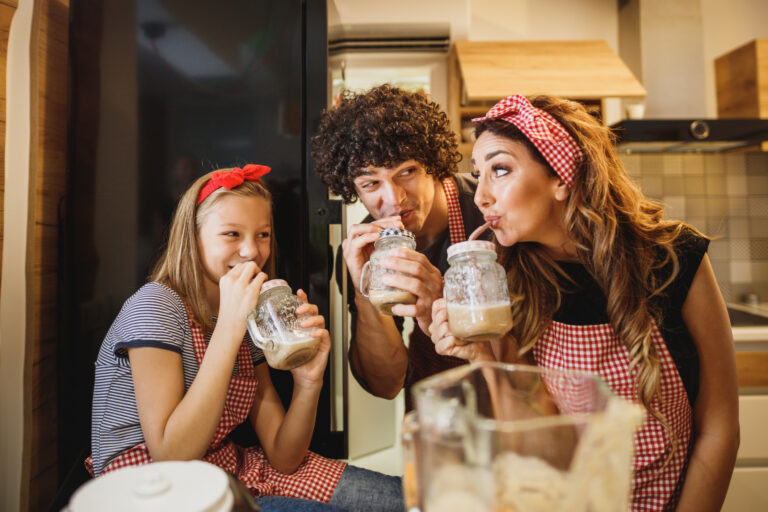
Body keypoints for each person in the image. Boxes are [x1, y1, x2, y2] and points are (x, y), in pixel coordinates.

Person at [429, 95, 740, 511]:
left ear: (561, 177)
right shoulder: (506, 283)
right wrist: (481, 354)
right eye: (477, 174)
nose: (481, 196)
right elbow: (535, 445)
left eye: (499, 170)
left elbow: (719, 428)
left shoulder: (673, 256)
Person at [88, 165, 403, 512]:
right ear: (192, 238)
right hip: (149, 490)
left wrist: (309, 382)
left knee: (407, 497)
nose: (252, 251)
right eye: (231, 234)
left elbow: (284, 457)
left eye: (263, 234)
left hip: (230, 471)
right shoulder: (156, 306)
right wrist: (230, 327)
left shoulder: (247, 315)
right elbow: (171, 456)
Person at [311, 84, 488, 405]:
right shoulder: (361, 253)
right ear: (353, 189)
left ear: (431, 163)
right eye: (371, 183)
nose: (394, 199)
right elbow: (386, 384)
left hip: (516, 398)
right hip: (435, 415)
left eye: (407, 172)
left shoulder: (488, 209)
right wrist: (365, 292)